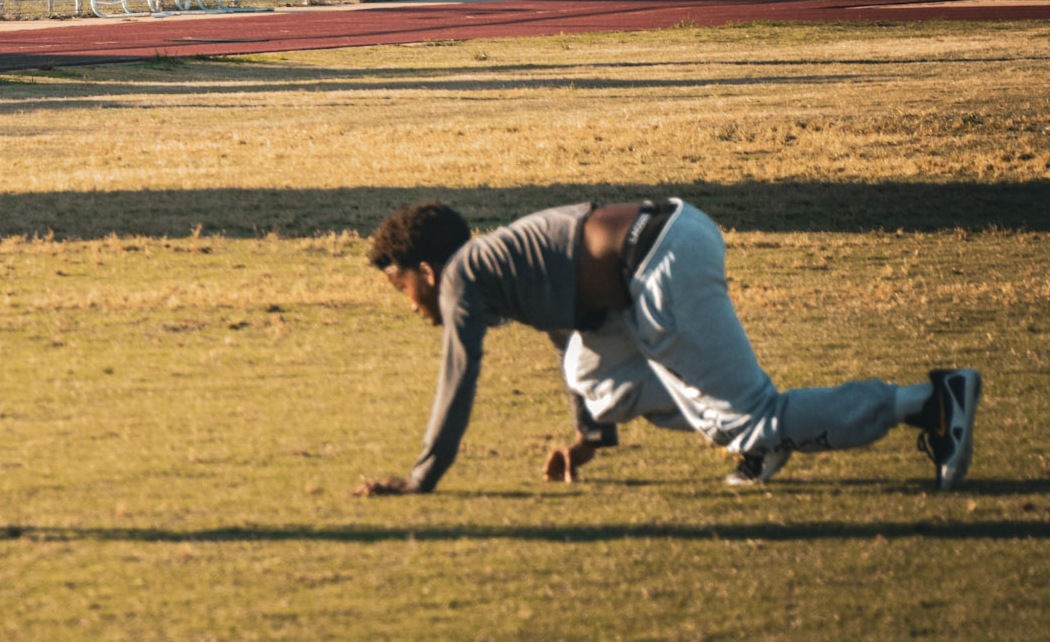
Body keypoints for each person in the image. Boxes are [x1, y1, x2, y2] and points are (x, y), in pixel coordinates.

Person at [355, 199, 981, 495]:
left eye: (403, 286)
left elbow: (458, 378)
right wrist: (591, 437)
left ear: (429, 271)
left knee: (749, 417)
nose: (410, 304)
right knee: (596, 379)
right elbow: (567, 341)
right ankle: (752, 440)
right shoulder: (499, 267)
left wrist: (422, 478)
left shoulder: (463, 274)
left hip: (655, 264)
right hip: (654, 254)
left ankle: (927, 401)